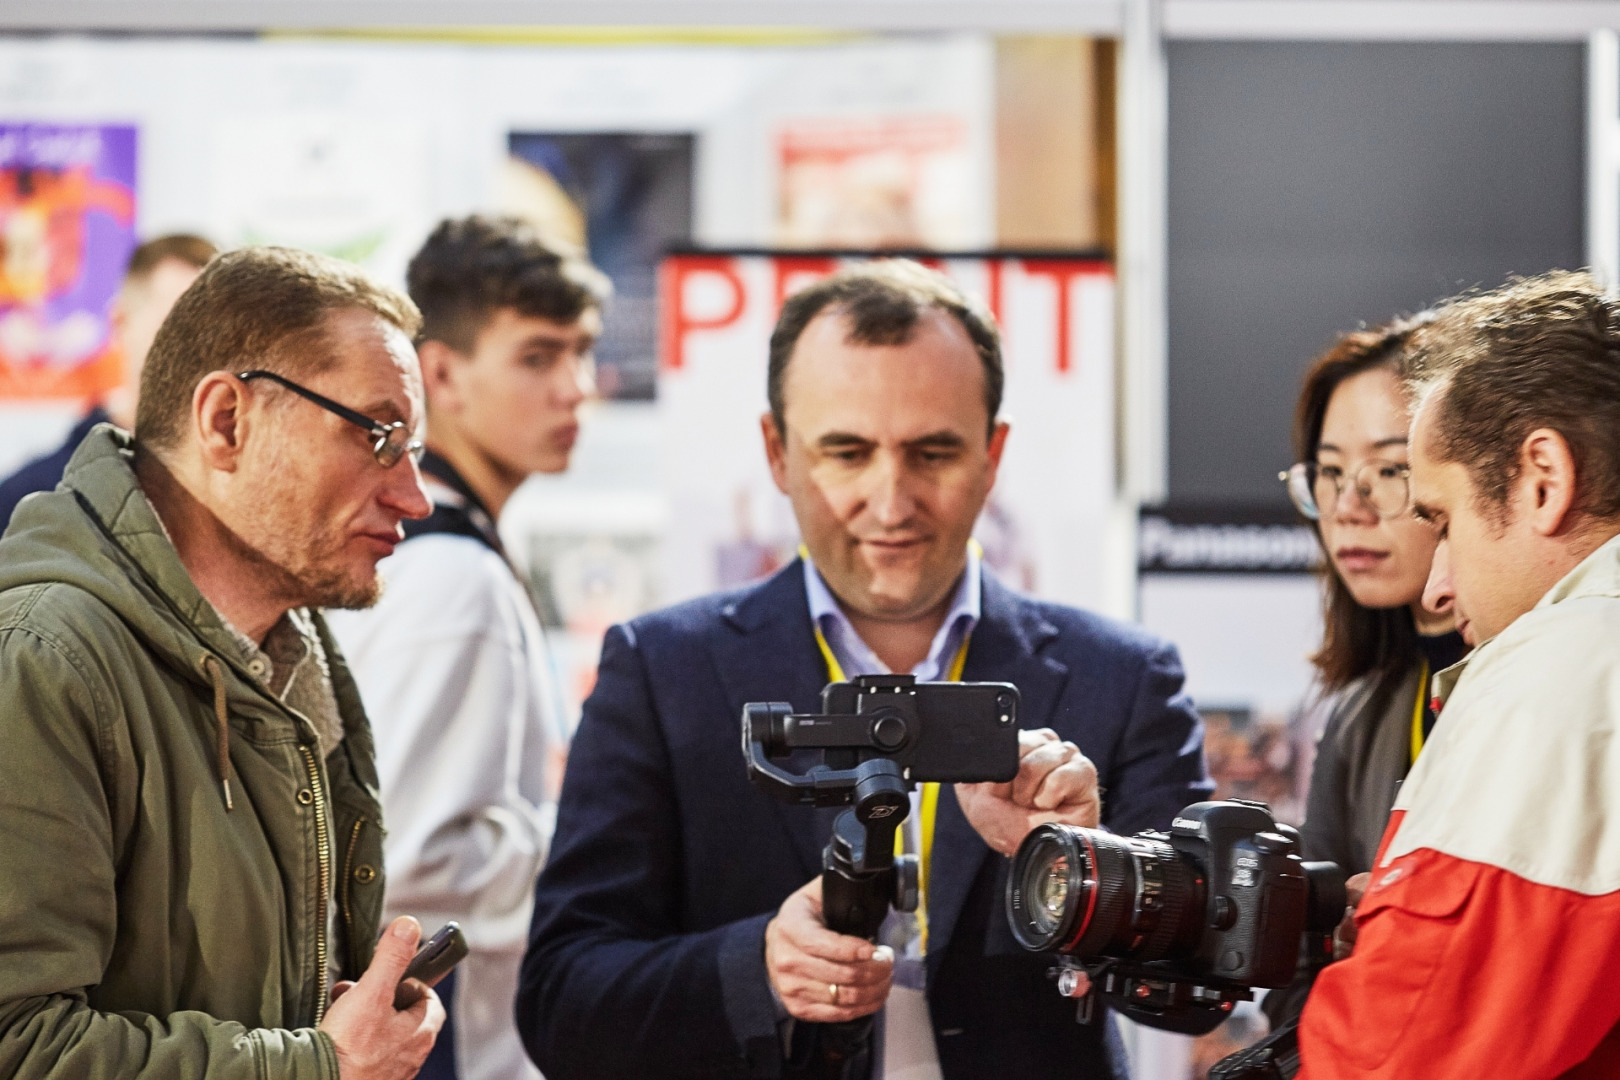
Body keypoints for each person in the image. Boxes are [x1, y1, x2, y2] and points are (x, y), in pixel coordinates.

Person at [518, 259, 1212, 1080]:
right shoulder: (664, 672)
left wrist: (1093, 873)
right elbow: (563, 1004)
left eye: (934, 453)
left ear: (993, 455)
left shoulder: (1124, 678)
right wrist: (759, 969)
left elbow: (1197, 989)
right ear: (777, 452)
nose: (891, 503)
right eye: (846, 453)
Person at [0, 245, 446, 1079]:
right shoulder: (42, 657)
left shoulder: (291, 650)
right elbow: (14, 1043)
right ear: (226, 421)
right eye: (381, 436)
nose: (413, 496)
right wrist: (321, 1065)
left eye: (414, 449)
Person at [1299, 271, 1620, 1077]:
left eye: (1440, 517)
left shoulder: (1555, 676)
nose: (1440, 585)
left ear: (1544, 478)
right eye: (1330, 475)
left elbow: (1393, 1052)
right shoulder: (1367, 717)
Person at [327, 216, 608, 1080]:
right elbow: (404, 859)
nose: (576, 389)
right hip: (450, 1047)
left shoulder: (439, 553)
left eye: (583, 352)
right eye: (537, 356)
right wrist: (599, 851)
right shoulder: (452, 575)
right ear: (440, 372)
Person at [1262, 316, 1467, 1027]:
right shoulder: (1360, 713)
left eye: (1388, 470)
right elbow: (1298, 971)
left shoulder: (1544, 687)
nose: (1349, 507)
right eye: (1329, 473)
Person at [0, 232, 217, 529]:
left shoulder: (241, 498)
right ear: (120, 323)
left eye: (216, 333)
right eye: (178, 327)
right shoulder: (29, 502)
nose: (201, 349)